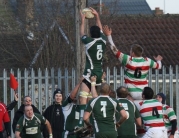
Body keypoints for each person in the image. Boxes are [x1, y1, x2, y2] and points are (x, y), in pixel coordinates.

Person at [102, 25, 163, 105]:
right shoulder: (147, 61)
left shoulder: (128, 60)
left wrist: (109, 36)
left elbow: (115, 51)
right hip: (143, 93)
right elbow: (159, 66)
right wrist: (158, 60)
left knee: (130, 113)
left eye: (130, 51)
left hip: (130, 93)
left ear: (133, 53)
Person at [79, 7, 107, 105]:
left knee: (83, 98)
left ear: (90, 34)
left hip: (90, 73)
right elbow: (101, 29)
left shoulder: (89, 42)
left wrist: (82, 21)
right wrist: (97, 16)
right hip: (99, 74)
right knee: (92, 100)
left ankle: (83, 119)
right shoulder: (103, 40)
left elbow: (82, 33)